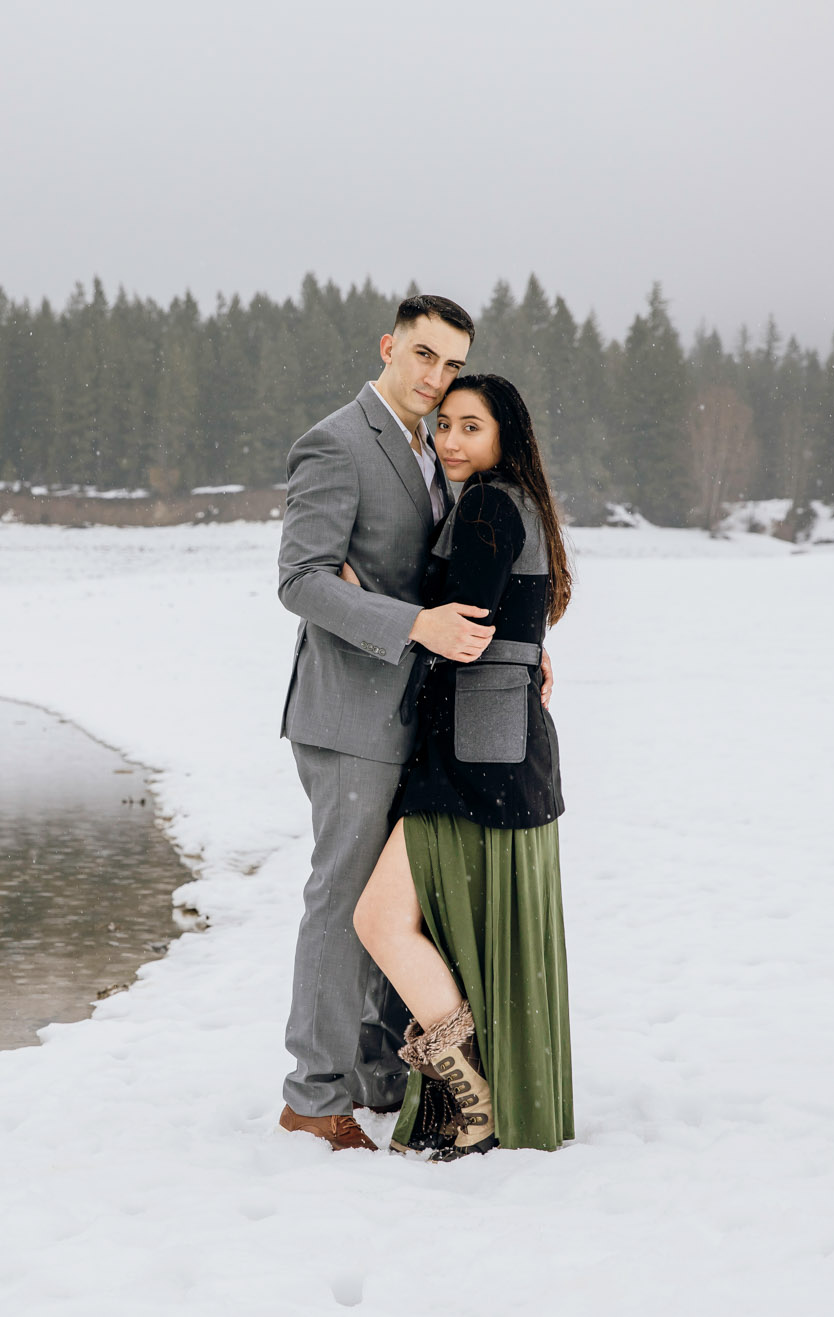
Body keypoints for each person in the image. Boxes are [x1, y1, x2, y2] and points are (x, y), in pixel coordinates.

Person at [274, 297, 552, 1152]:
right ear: (389, 347)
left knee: (397, 905)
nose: (434, 378)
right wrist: (407, 623)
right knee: (344, 901)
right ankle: (314, 1093)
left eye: (450, 362)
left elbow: (464, 573)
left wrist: (517, 648)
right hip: (351, 712)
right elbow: (301, 580)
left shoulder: (436, 454)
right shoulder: (338, 442)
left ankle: (378, 1073)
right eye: (423, 356)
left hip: (422, 720)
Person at [350, 372, 575, 1159]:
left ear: (504, 436)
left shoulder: (484, 503)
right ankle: (474, 1092)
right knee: (432, 923)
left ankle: (470, 1097)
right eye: (444, 425)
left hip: (469, 755)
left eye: (470, 427)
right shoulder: (521, 503)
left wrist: (369, 595)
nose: (450, 440)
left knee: (379, 919)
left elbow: (465, 620)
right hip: (503, 745)